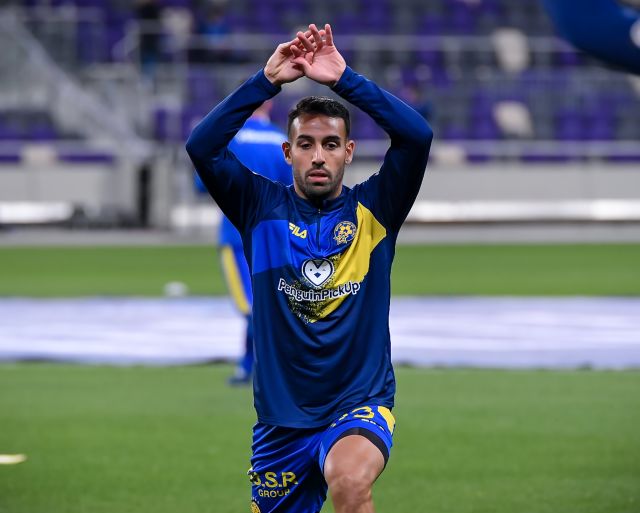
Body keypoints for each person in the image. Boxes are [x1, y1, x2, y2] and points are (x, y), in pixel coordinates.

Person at [186, 23, 432, 513]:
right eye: (306, 144)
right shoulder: (258, 208)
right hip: (280, 423)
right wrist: (265, 82)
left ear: (348, 152)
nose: (318, 156)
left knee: (349, 482)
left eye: (330, 144)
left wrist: (345, 80)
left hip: (358, 406)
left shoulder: (376, 209)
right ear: (288, 152)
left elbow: (417, 136)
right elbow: (202, 146)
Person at [219, 101, 292, 385]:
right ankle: (253, 366)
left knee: (250, 306)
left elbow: (204, 182)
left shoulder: (229, 137)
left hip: (237, 234)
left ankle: (260, 368)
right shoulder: (281, 140)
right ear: (270, 104)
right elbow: (293, 188)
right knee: (270, 301)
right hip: (275, 235)